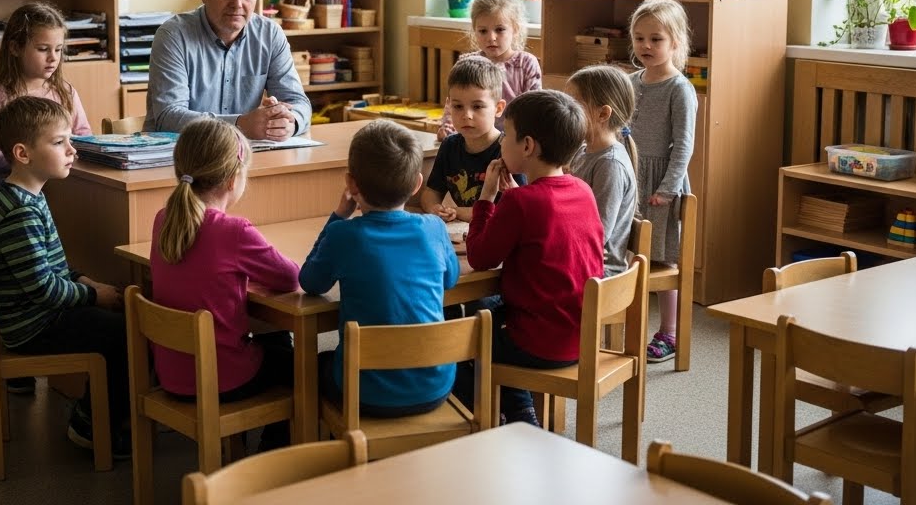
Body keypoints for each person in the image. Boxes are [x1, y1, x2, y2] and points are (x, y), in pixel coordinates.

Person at [0, 96, 131, 459]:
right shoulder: (19, 212)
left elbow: (50, 269)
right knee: (121, 335)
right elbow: (44, 289)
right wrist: (94, 296)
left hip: (37, 313)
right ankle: (94, 424)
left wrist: (86, 281)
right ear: (23, 153)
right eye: (60, 142)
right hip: (31, 325)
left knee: (115, 314)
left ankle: (98, 414)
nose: (72, 150)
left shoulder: (27, 195)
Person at [457, 90, 605, 426]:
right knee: (491, 311)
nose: (501, 143)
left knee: (456, 342)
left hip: (539, 341)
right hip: (580, 334)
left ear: (527, 146)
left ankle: (503, 416)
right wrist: (512, 198)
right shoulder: (581, 189)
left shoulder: (521, 203)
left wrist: (487, 199)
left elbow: (480, 257)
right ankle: (522, 411)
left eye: (506, 134)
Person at [150, 117, 300, 449]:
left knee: (278, 343)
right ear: (233, 179)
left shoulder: (164, 219)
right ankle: (273, 456)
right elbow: (290, 277)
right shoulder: (233, 230)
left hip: (173, 375)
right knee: (310, 367)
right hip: (222, 377)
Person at [299, 120, 459, 417]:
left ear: (351, 183)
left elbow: (310, 281)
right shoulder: (433, 228)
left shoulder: (343, 235)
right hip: (434, 387)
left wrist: (338, 216)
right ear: (416, 185)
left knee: (310, 362)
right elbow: (451, 279)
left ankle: (301, 447)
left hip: (365, 392)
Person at [146, 0, 311, 141]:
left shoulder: (270, 35)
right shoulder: (173, 36)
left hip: (244, 157)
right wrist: (240, 125)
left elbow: (298, 102)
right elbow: (169, 117)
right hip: (179, 157)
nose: (237, 3)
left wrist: (289, 123)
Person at [627, 0, 697, 365]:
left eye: (656, 39)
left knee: (663, 260)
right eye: (640, 38)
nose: (646, 47)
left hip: (660, 184)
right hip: (630, 178)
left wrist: (668, 188)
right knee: (629, 254)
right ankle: (626, 324)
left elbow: (683, 144)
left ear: (675, 41)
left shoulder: (679, 89)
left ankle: (668, 331)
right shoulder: (629, 81)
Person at [0, 2, 92, 194]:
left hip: (65, 193)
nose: (53, 58)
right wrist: (28, 163)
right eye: (43, 49)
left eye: (58, 49)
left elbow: (85, 138)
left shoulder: (66, 92)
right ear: (15, 48)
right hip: (11, 197)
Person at [420, 56, 522, 223]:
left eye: (477, 106)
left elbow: (515, 210)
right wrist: (434, 208)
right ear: (449, 106)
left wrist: (458, 212)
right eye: (458, 106)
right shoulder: (449, 145)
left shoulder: (508, 150)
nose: (466, 115)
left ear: (498, 108)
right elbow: (431, 192)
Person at [566, 65, 639, 279]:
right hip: (579, 258)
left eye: (574, 105)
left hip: (599, 272)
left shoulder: (610, 165)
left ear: (603, 113)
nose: (565, 111)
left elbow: (597, 235)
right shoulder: (582, 151)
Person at [438, 0, 542, 140]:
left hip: (512, 143)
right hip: (472, 140)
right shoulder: (467, 63)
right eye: (483, 31)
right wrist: (447, 128)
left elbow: (534, 111)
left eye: (499, 30)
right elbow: (455, 103)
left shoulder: (526, 64)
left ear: (515, 29)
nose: (491, 38)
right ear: (474, 30)